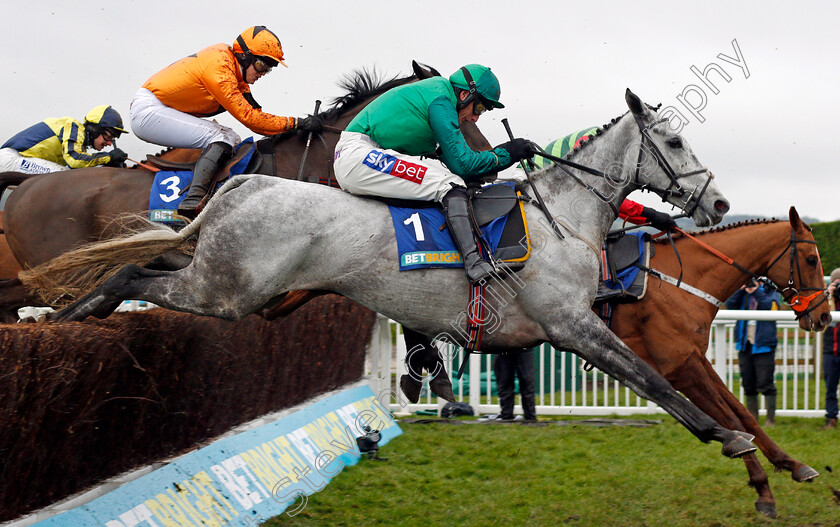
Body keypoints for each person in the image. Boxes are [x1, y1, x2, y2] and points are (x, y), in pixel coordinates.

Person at [333, 64, 537, 283]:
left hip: (368, 154)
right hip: (357, 155)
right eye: (478, 107)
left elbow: (457, 165)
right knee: (449, 185)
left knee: (450, 179)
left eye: (483, 111)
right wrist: (505, 154)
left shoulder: (439, 96)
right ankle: (474, 263)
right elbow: (463, 164)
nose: (476, 117)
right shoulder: (441, 100)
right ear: (464, 94)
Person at [130, 26, 323, 218]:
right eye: (261, 65)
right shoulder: (220, 68)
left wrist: (295, 125)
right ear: (245, 56)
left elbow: (257, 114)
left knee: (232, 138)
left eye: (268, 68)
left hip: (161, 108)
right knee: (221, 136)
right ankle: (193, 199)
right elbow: (252, 120)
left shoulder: (235, 72)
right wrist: (297, 123)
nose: (263, 73)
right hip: (149, 111)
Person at [0, 106, 128, 174]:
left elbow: (80, 166)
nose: (109, 143)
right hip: (10, 158)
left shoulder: (80, 143)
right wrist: (108, 157)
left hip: (19, 159)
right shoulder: (73, 126)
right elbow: (74, 160)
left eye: (113, 139)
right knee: (64, 176)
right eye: (108, 136)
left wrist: (104, 165)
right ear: (95, 129)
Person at [726, 279, 781, 426]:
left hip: (764, 344)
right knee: (748, 383)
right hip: (745, 344)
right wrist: (741, 289)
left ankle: (770, 420)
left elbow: (770, 307)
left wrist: (756, 291)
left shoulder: (771, 290)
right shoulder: (742, 292)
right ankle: (753, 420)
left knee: (766, 382)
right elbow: (729, 305)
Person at [493, 349, 537, 421]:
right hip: (503, 347)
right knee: (505, 382)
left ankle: (530, 417)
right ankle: (507, 416)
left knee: (527, 382)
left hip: (523, 345)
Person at [822, 268, 840, 429]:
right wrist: (831, 296)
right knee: (830, 388)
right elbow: (828, 320)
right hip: (830, 349)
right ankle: (831, 418)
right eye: (836, 283)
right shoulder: (828, 299)